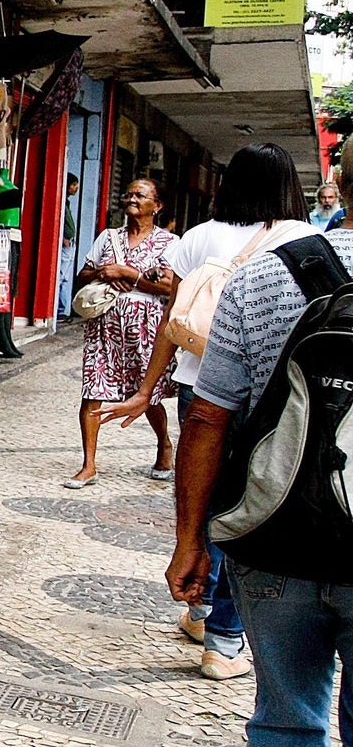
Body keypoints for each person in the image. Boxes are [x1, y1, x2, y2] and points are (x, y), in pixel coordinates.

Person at [165, 219, 353, 747]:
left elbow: (209, 416)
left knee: (286, 714)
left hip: (274, 538)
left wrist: (191, 542)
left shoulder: (270, 274)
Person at [98, 143, 311, 679]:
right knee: (249, 505)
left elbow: (174, 318)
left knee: (205, 503)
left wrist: (148, 388)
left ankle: (199, 608)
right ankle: (225, 638)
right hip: (270, 398)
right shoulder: (304, 241)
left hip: (201, 389)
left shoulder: (197, 238)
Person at [62, 178, 175, 489]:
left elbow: (169, 287)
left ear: (158, 205)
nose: (131, 199)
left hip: (146, 328)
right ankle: (89, 465)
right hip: (104, 326)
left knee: (147, 394)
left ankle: (164, 445)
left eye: (140, 195)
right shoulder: (109, 238)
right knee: (93, 391)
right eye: (128, 194)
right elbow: (82, 275)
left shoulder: (170, 244)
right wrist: (103, 272)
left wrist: (129, 274)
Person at [57, 173, 82, 323]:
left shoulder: (66, 202)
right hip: (66, 243)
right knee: (61, 276)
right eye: (73, 185)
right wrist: (64, 238)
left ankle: (61, 309)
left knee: (64, 278)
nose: (76, 188)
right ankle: (59, 310)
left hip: (69, 243)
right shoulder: (62, 202)